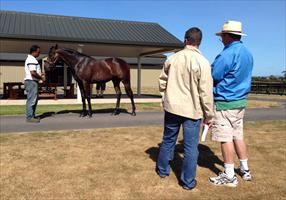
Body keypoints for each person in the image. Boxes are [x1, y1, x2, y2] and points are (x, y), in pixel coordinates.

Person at [156, 27, 214, 190]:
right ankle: (188, 181)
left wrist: (164, 97)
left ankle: (162, 170)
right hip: (192, 110)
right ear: (199, 42)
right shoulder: (203, 62)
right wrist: (209, 115)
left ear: (185, 40)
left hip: (172, 107)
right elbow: (206, 92)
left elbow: (162, 82)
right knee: (190, 147)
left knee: (168, 140)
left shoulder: (172, 59)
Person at [209, 20, 253, 187]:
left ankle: (229, 175)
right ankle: (245, 169)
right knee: (238, 136)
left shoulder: (227, 54)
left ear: (227, 36)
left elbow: (214, 75)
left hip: (225, 101)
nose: (221, 39)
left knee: (225, 138)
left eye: (222, 36)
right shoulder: (247, 53)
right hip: (240, 101)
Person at [24, 45, 45, 123]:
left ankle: (32, 116)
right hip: (31, 81)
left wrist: (40, 73)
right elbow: (33, 73)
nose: (39, 53)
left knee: (34, 99)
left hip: (32, 81)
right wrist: (41, 78)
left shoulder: (32, 59)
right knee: (31, 99)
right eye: (38, 52)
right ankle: (29, 117)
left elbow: (34, 71)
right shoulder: (31, 59)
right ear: (34, 52)